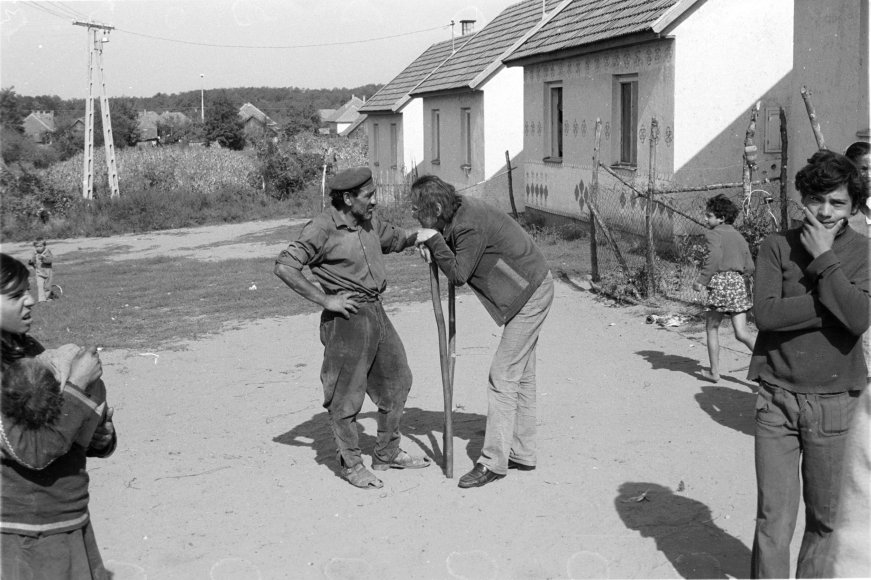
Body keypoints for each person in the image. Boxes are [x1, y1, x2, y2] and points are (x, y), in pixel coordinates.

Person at [748, 150, 870, 578]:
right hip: (776, 399)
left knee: (825, 521)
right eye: (817, 199)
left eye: (837, 203)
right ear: (802, 198)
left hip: (836, 403)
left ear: (854, 206)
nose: (825, 211)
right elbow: (765, 314)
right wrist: (833, 301)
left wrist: (823, 259)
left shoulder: (865, 252)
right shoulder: (775, 246)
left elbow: (858, 318)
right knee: (773, 520)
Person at [274, 167, 430, 490]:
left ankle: (386, 452)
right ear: (348, 198)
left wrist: (421, 237)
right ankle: (351, 464)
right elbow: (284, 266)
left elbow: (395, 238)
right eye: (368, 196)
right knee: (345, 398)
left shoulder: (367, 221)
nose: (374, 201)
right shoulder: (321, 229)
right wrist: (325, 300)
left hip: (376, 311)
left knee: (398, 381)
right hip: (347, 319)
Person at [411, 175, 554, 489]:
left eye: (418, 211)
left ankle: (493, 462)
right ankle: (521, 452)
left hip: (529, 293)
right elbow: (453, 248)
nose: (415, 215)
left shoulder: (469, 222)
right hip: (523, 288)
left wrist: (433, 241)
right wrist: (434, 242)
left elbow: (460, 273)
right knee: (521, 375)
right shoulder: (457, 214)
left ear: (435, 207)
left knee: (502, 376)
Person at [1, 252, 117, 580]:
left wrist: (98, 437)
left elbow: (60, 424)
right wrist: (78, 385)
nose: (30, 300)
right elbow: (31, 451)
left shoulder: (30, 351)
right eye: (15, 295)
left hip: (66, 516)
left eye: (27, 289)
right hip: (26, 533)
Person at [692, 194, 756, 382]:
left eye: (709, 215)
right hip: (737, 282)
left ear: (721, 218)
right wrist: (741, 277)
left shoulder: (714, 233)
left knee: (712, 328)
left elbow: (714, 257)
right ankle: (770, 362)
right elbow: (749, 265)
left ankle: (714, 372)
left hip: (720, 282)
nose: (706, 219)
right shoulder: (738, 236)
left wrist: (702, 280)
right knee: (742, 332)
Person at [28, 237, 53, 302]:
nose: (38, 248)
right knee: (40, 286)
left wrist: (43, 259)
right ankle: (42, 299)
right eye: (36, 246)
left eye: (40, 246)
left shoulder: (47, 252)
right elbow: (33, 260)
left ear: (44, 246)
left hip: (48, 273)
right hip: (39, 273)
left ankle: (47, 297)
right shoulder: (35, 253)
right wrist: (31, 262)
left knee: (47, 286)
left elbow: (50, 260)